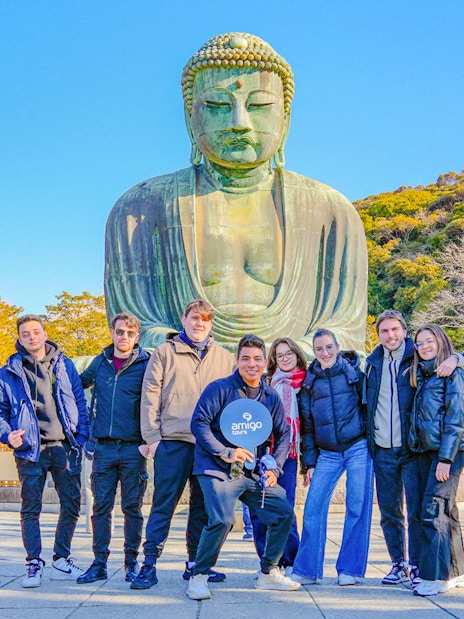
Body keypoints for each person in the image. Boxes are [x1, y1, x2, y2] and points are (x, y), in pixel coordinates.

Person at [105, 32, 367, 356]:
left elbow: (346, 334)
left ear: (285, 121)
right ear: (190, 118)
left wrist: (276, 358)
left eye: (258, 105)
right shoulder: (140, 209)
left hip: (289, 376)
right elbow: (134, 328)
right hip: (192, 373)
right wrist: (203, 355)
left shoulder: (332, 213)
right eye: (217, 105)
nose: (239, 123)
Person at [130, 299, 235, 590]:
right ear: (184, 319)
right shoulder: (164, 352)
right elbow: (150, 395)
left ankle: (195, 564)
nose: (199, 324)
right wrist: (151, 437)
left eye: (205, 319)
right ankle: (148, 564)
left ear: (210, 324)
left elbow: (231, 401)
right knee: (164, 505)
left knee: (202, 509)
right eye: (194, 318)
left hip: (209, 446)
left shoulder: (225, 358)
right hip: (173, 441)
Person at [187, 334, 300, 600]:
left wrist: (276, 469)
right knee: (223, 519)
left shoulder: (269, 395)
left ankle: (268, 573)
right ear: (237, 361)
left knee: (283, 511)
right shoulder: (220, 389)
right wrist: (225, 452)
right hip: (216, 469)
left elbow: (284, 434)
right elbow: (199, 423)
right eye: (246, 358)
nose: (252, 364)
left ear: (265, 362)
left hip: (250, 473)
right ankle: (199, 575)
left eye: (258, 359)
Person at [365, 310, 461, 586]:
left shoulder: (417, 358)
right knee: (389, 511)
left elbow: (449, 362)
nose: (390, 335)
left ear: (404, 332)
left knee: (420, 509)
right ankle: (398, 563)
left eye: (395, 329)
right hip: (382, 447)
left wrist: (457, 357)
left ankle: (419, 563)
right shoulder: (372, 364)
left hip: (412, 449)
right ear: (379, 335)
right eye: (384, 331)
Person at [0, 314, 88, 587]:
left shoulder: (65, 365)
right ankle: (33, 564)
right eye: (25, 333)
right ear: (20, 338)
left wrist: (81, 435)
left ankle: (61, 557)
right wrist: (6, 434)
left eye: (36, 332)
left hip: (64, 446)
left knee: (72, 503)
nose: (32, 337)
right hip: (30, 450)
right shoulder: (8, 372)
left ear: (45, 333)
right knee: (30, 508)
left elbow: (80, 401)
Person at [291, 329, 373, 586]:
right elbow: (308, 426)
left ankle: (349, 569)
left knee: (357, 507)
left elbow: (368, 409)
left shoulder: (353, 375)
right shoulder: (309, 383)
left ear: (337, 348)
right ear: (313, 353)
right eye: (319, 349)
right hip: (327, 453)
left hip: (358, 446)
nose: (324, 353)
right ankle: (307, 569)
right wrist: (310, 464)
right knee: (313, 508)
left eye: (328, 347)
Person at [76, 313, 150, 584]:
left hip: (133, 449)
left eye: (130, 333)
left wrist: (149, 440)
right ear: (112, 332)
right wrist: (83, 430)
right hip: (103, 448)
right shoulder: (101, 362)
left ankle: (131, 562)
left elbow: (158, 399)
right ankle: (99, 563)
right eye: (120, 332)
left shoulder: (146, 363)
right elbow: (75, 386)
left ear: (136, 337)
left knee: (133, 508)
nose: (124, 337)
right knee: (101, 508)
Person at [408, 324, 464, 597]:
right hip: (426, 452)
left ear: (442, 341)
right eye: (420, 343)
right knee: (446, 510)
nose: (425, 346)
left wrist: (446, 458)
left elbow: (456, 419)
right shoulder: (424, 373)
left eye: (430, 341)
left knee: (434, 510)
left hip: (447, 453)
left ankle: (436, 576)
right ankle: (456, 570)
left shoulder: (453, 372)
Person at [251, 337, 306, 572]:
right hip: (264, 452)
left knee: (285, 507)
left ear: (297, 355)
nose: (284, 359)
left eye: (289, 354)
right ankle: (267, 560)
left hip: (289, 455)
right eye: (280, 355)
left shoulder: (307, 384)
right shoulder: (266, 385)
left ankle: (291, 559)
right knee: (259, 508)